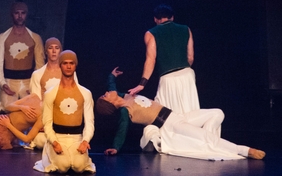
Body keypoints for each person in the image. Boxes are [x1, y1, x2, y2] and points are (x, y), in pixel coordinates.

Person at [96, 68, 265, 160]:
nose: (106, 92)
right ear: (110, 103)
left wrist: (111, 75)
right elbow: (122, 130)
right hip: (170, 125)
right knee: (206, 136)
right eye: (105, 96)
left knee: (217, 113)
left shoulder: (125, 95)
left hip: (176, 116)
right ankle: (244, 150)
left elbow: (111, 85)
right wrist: (116, 147)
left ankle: (209, 144)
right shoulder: (126, 112)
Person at [127, 4, 201, 150]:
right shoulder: (186, 29)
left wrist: (142, 84)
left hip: (168, 77)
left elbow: (151, 59)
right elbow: (190, 57)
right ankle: (192, 143)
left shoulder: (151, 33)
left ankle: (159, 140)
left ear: (155, 19)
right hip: (187, 75)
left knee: (165, 114)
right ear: (172, 17)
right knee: (189, 111)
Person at [34, 50, 95, 173]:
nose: (68, 66)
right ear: (60, 65)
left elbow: (89, 122)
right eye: (65, 63)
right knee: (62, 166)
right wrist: (54, 142)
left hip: (77, 138)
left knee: (79, 167)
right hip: (58, 137)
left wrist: (85, 141)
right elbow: (47, 122)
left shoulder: (85, 93)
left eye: (71, 63)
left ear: (75, 65)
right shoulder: (50, 93)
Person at [0, 2, 45, 113]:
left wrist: (34, 85)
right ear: (12, 14)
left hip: (28, 82)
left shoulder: (35, 38)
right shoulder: (2, 38)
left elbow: (40, 65)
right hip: (9, 82)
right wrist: (3, 84)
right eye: (17, 13)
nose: (20, 16)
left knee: (33, 110)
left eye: (23, 13)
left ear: (26, 14)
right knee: (8, 108)